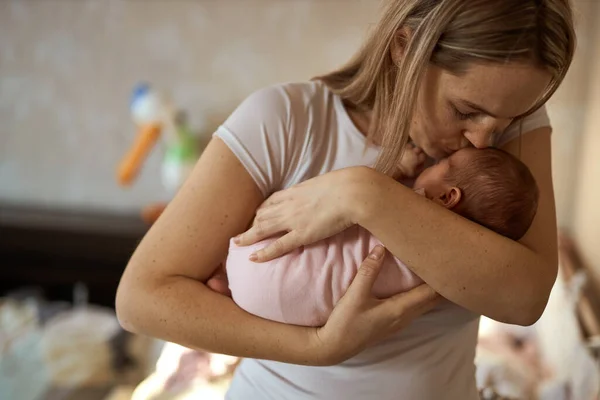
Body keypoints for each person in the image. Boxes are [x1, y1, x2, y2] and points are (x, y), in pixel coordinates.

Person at [115, 0, 575, 398]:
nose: (483, 140)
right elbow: (142, 299)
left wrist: (364, 194)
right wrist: (316, 348)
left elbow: (524, 299)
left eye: (506, 120)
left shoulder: (505, 128)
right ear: (404, 48)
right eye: (465, 111)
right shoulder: (286, 121)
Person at [225, 147, 540, 327]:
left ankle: (224, 272)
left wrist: (401, 166)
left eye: (445, 163)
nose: (437, 160)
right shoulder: (448, 269)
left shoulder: (414, 211)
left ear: (447, 198)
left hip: (258, 265)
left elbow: (358, 193)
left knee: (290, 217)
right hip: (288, 308)